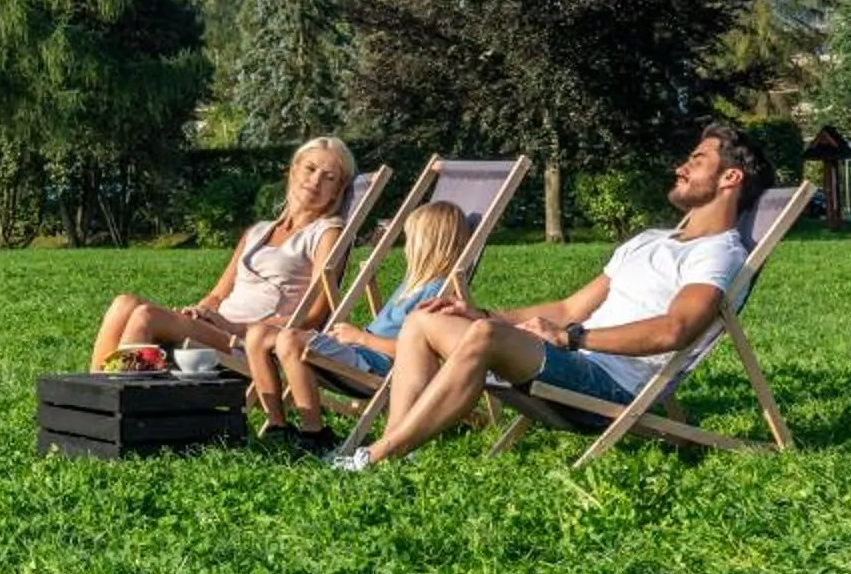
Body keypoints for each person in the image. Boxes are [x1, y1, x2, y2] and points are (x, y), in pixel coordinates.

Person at [337, 124, 771, 469]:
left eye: (697, 160)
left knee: (486, 337)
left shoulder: (719, 253)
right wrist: (482, 312)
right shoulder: (649, 240)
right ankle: (395, 446)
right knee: (424, 320)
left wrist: (573, 338)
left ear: (730, 177)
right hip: (572, 357)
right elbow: (568, 308)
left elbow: (676, 329)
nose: (681, 166)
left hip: (610, 384)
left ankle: (377, 455)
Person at [89, 137, 358, 371]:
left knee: (145, 316)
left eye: (329, 177)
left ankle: (120, 408)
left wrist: (234, 327)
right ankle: (93, 403)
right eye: (310, 169)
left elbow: (314, 317)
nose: (315, 180)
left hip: (252, 342)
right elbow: (218, 295)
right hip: (218, 327)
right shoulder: (259, 231)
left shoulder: (326, 233)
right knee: (125, 303)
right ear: (293, 170)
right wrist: (200, 311)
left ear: (338, 190)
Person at [240, 198, 466, 453]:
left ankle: (314, 433)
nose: (406, 248)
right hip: (360, 352)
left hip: (375, 365)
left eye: (410, 240)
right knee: (258, 334)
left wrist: (361, 338)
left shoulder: (437, 293)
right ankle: (277, 425)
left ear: (427, 244)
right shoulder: (414, 283)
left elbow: (421, 350)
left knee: (290, 339)